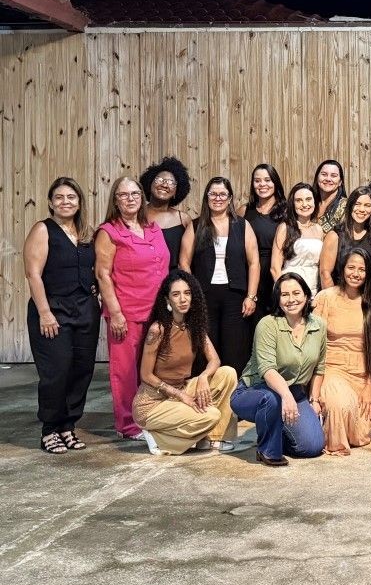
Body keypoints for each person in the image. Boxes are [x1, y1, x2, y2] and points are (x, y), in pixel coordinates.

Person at [24, 177, 101, 454]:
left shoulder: (85, 234)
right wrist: (44, 313)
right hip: (53, 311)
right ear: (50, 202)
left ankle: (68, 425)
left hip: (84, 311)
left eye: (71, 197)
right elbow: (33, 274)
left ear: (79, 202)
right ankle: (50, 429)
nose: (65, 202)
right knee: (56, 371)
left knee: (82, 369)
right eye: (59, 197)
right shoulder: (43, 230)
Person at [96, 176, 170, 440]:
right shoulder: (109, 232)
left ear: (142, 198)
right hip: (126, 313)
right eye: (123, 195)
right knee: (126, 372)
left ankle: (150, 417)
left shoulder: (153, 229)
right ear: (115, 200)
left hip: (157, 313)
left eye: (135, 194)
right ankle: (128, 425)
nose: (130, 199)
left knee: (153, 369)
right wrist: (115, 313)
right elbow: (103, 274)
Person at [133, 271, 237, 455]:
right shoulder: (158, 329)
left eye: (187, 293)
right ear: (167, 300)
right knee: (211, 415)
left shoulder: (193, 326)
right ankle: (158, 437)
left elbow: (215, 359)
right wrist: (181, 396)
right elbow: (145, 375)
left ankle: (212, 439)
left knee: (227, 373)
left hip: (181, 390)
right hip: (152, 403)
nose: (183, 299)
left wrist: (204, 376)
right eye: (176, 294)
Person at [230, 273, 325, 466]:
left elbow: (320, 367)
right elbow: (267, 369)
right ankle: (268, 450)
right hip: (257, 390)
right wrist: (286, 397)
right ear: (278, 300)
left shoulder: (319, 325)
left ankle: (276, 429)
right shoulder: (267, 324)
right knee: (271, 400)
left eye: (296, 293)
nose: (291, 299)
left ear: (306, 295)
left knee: (312, 447)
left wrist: (314, 400)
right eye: (285, 295)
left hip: (295, 393)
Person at [313, 247, 371, 455]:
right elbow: (313, 343)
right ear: (342, 268)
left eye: (362, 269)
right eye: (351, 267)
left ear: (369, 273)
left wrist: (369, 387)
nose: (356, 274)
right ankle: (328, 433)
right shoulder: (326, 297)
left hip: (363, 374)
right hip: (331, 369)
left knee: (361, 435)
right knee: (341, 406)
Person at [179, 177, 260, 373]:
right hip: (204, 296)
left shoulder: (242, 225)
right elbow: (184, 262)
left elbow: (254, 262)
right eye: (213, 194)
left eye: (222, 194)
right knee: (206, 347)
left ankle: (232, 395)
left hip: (235, 297)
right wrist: (192, 293)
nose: (218, 198)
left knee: (235, 348)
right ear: (207, 197)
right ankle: (206, 393)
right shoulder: (196, 225)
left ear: (230, 198)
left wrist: (251, 296)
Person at [239, 163, 286, 326]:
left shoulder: (286, 211)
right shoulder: (244, 211)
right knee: (250, 324)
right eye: (257, 181)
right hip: (249, 273)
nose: (262, 184)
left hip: (275, 272)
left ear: (275, 183)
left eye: (267, 180)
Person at [319, 185, 371, 290]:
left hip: (364, 300)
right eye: (357, 204)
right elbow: (325, 274)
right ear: (350, 206)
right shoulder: (335, 236)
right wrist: (334, 301)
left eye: (367, 205)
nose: (362, 209)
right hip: (338, 297)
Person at [272, 183, 324, 297]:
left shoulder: (319, 229)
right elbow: (275, 268)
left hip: (314, 288)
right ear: (293, 204)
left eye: (308, 199)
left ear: (314, 202)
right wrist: (284, 293)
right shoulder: (285, 228)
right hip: (291, 288)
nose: (304, 204)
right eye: (299, 200)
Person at [139, 157, 191, 270]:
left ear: (176, 192)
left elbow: (187, 262)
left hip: (174, 283)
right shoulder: (136, 215)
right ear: (150, 183)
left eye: (171, 183)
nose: (165, 184)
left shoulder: (184, 219)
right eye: (160, 180)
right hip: (142, 280)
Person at [312, 159, 347, 234]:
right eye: (324, 174)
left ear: (340, 182)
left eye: (333, 176)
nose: (328, 179)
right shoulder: (309, 203)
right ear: (317, 178)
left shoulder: (346, 206)